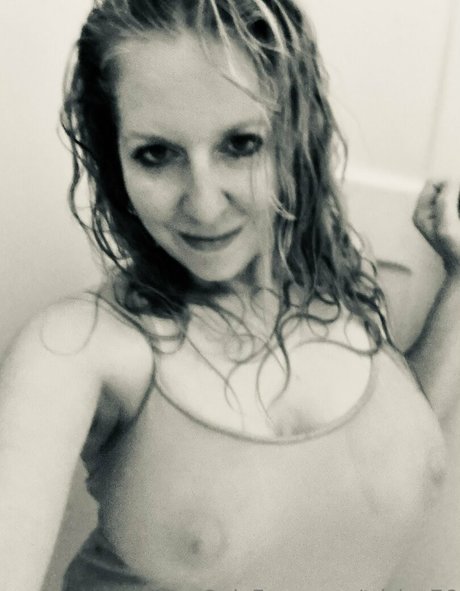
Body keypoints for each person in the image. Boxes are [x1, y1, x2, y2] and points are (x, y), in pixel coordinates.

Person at [0, 1, 459, 589]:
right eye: (156, 154)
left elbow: (392, 444)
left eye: (241, 144)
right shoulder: (76, 349)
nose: (205, 204)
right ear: (115, 160)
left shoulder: (342, 284)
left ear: (294, 134)